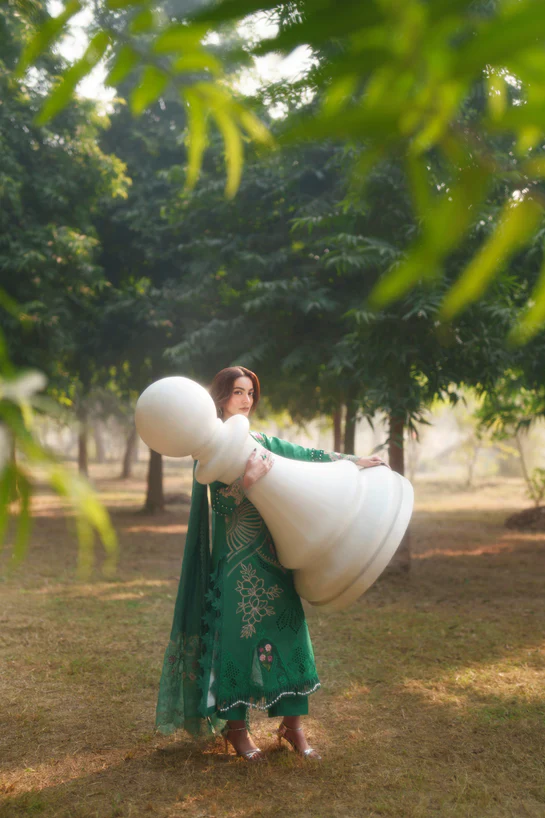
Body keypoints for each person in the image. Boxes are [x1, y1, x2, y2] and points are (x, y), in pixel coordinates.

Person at [155, 366, 387, 761]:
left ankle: (292, 726)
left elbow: (307, 455)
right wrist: (246, 482)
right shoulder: (208, 449)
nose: (246, 400)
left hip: (273, 554)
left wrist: (354, 460)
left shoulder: (259, 440)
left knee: (290, 633)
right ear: (220, 398)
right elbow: (220, 506)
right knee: (237, 642)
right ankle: (237, 731)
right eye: (238, 392)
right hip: (236, 564)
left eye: (250, 393)